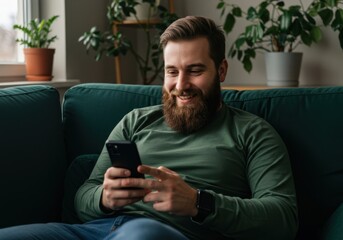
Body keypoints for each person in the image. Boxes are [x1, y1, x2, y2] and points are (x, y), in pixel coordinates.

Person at [0, 16, 298, 240]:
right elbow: (84, 196)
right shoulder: (136, 120)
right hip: (96, 231)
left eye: (195, 70)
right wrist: (105, 198)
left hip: (163, 233)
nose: (181, 86)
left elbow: (283, 217)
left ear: (220, 70)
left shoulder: (253, 133)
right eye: (172, 72)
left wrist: (198, 202)